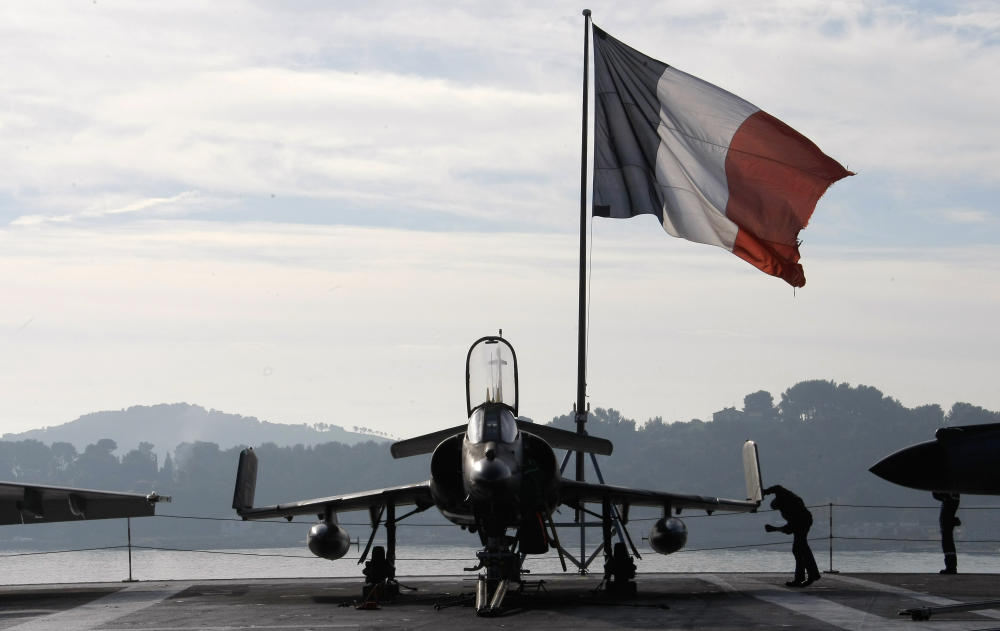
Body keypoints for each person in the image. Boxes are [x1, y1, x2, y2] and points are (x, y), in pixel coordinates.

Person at [763, 485, 820, 587]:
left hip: (802, 522)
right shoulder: (786, 501)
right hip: (804, 521)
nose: (779, 510)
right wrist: (766, 492)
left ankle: (809, 576)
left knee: (800, 549)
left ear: (778, 503)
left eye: (777, 508)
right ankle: (807, 576)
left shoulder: (786, 502)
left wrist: (765, 492)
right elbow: (789, 529)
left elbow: (790, 527)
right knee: (800, 549)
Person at [933, 492, 961, 574]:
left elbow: (937, 495)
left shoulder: (949, 497)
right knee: (948, 540)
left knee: (947, 541)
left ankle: (951, 567)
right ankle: (951, 566)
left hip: (947, 516)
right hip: (949, 510)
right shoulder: (954, 496)